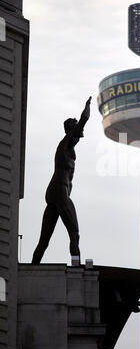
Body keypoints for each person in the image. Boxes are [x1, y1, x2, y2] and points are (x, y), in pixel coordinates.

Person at [31, 97, 92, 264]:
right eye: (77, 129)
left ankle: (32, 268)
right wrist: (87, 107)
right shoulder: (66, 142)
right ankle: (76, 267)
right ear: (71, 130)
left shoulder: (67, 147)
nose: (81, 133)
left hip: (54, 192)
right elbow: (84, 120)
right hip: (59, 190)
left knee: (44, 241)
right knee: (74, 233)